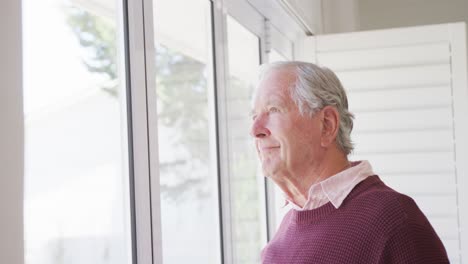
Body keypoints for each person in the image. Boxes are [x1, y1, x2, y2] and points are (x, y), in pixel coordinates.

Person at [250, 61, 449, 264]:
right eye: (254, 115)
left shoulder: (394, 220)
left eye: (273, 109)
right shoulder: (282, 235)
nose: (255, 130)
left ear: (327, 125)